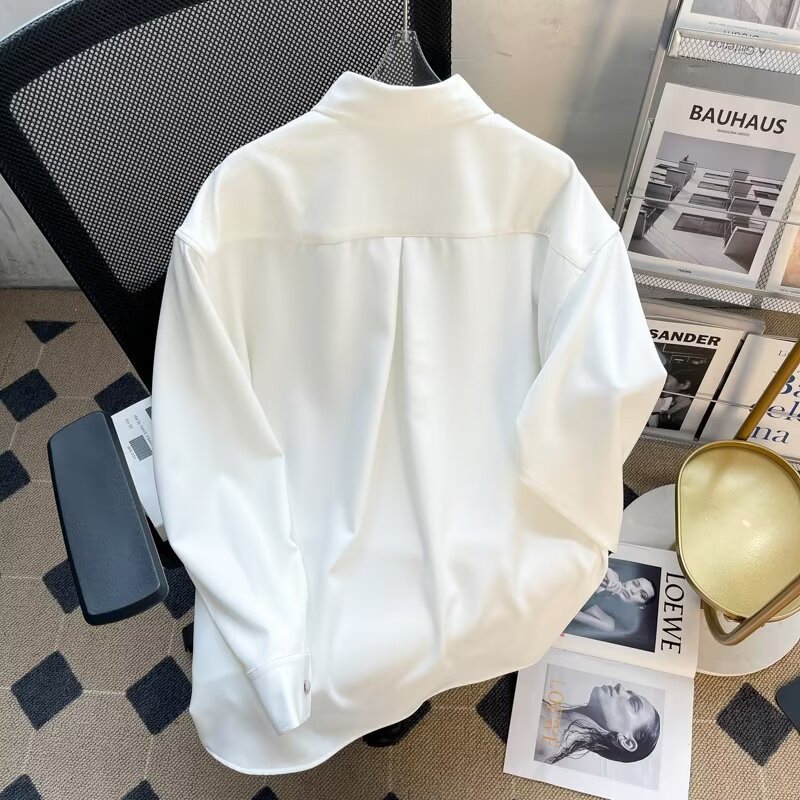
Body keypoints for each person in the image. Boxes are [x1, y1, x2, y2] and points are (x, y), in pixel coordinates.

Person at [536, 681, 661, 765]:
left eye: (633, 703)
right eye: (628, 692)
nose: (620, 687)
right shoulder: (553, 726)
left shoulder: (547, 740)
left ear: (626, 741)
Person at [566, 565, 656, 640]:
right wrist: (608, 571)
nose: (633, 591)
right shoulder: (611, 576)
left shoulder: (608, 624)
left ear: (641, 606)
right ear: (629, 581)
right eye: (635, 583)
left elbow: (567, 613)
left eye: (642, 595)